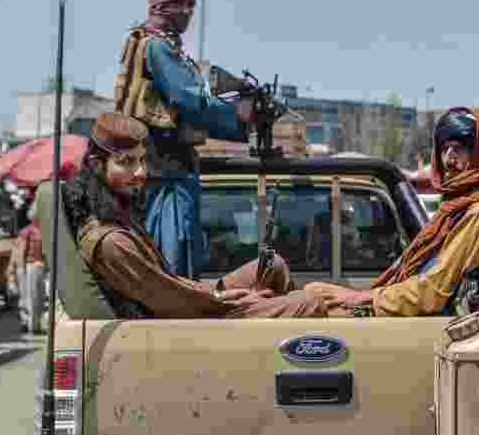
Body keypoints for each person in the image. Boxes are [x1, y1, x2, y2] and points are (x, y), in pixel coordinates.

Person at [62, 111, 327, 319]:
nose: (141, 173)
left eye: (142, 160)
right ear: (97, 165)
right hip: (184, 322)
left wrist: (219, 292)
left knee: (273, 265)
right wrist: (230, 299)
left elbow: (169, 284)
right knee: (308, 303)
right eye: (126, 162)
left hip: (192, 304)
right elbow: (170, 302)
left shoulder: (118, 214)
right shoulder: (110, 242)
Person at [304, 107, 479, 316]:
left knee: (306, 305)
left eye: (458, 149)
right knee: (312, 292)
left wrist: (364, 298)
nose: (448, 159)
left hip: (428, 317)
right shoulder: (458, 206)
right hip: (407, 304)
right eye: (445, 149)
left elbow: (432, 291)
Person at [113, 0, 256, 279]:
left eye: (191, 5)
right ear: (164, 5)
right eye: (183, 4)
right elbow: (189, 101)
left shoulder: (156, 44)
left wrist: (237, 122)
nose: (189, 13)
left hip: (168, 171)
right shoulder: (157, 47)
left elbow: (194, 108)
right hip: (167, 174)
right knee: (173, 264)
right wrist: (240, 114)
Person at [10, 209, 46, 334]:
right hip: (31, 266)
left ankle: (34, 325)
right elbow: (20, 253)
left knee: (38, 298)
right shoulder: (27, 231)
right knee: (31, 298)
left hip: (39, 266)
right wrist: (22, 271)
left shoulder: (41, 230)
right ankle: (32, 327)